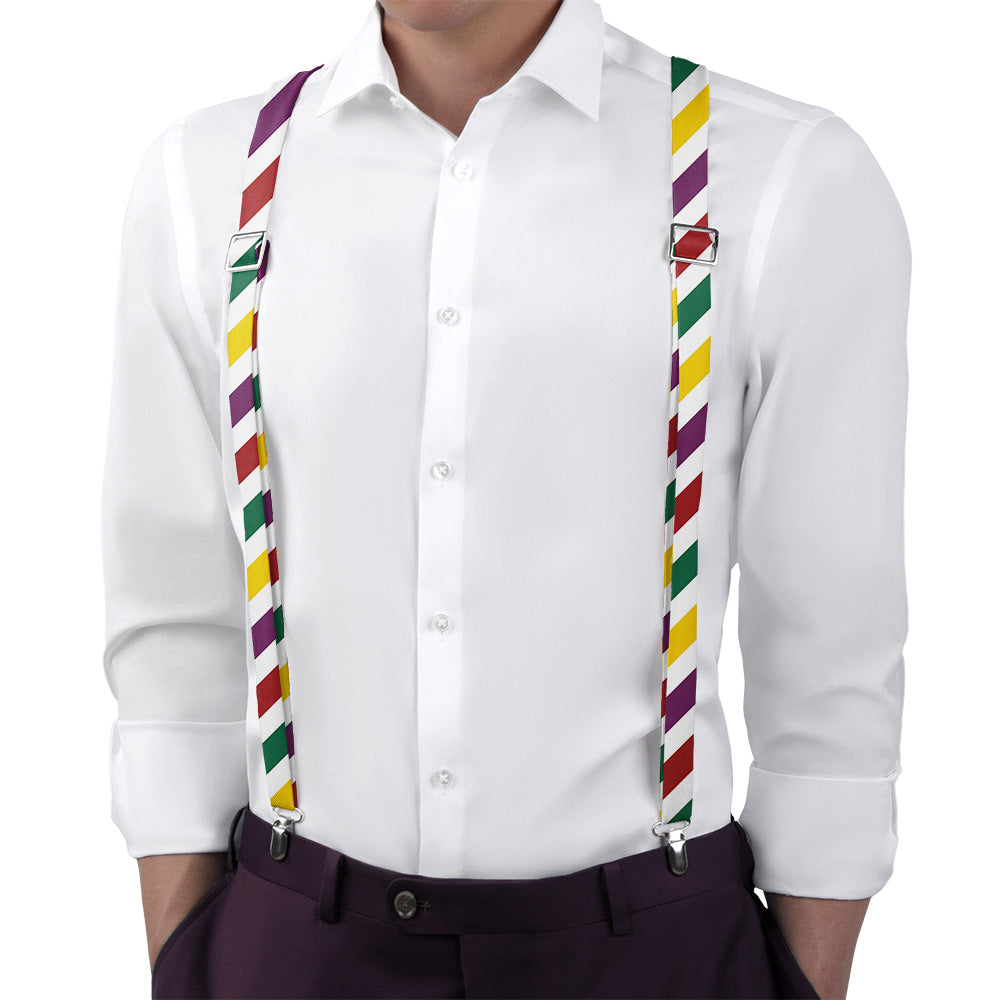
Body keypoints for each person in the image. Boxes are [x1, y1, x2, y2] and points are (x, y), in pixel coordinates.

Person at [100, 1, 910, 997]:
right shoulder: (206, 181)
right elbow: (174, 617)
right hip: (291, 944)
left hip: (655, 954)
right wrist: (186, 961)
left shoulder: (784, 177)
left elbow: (830, 639)